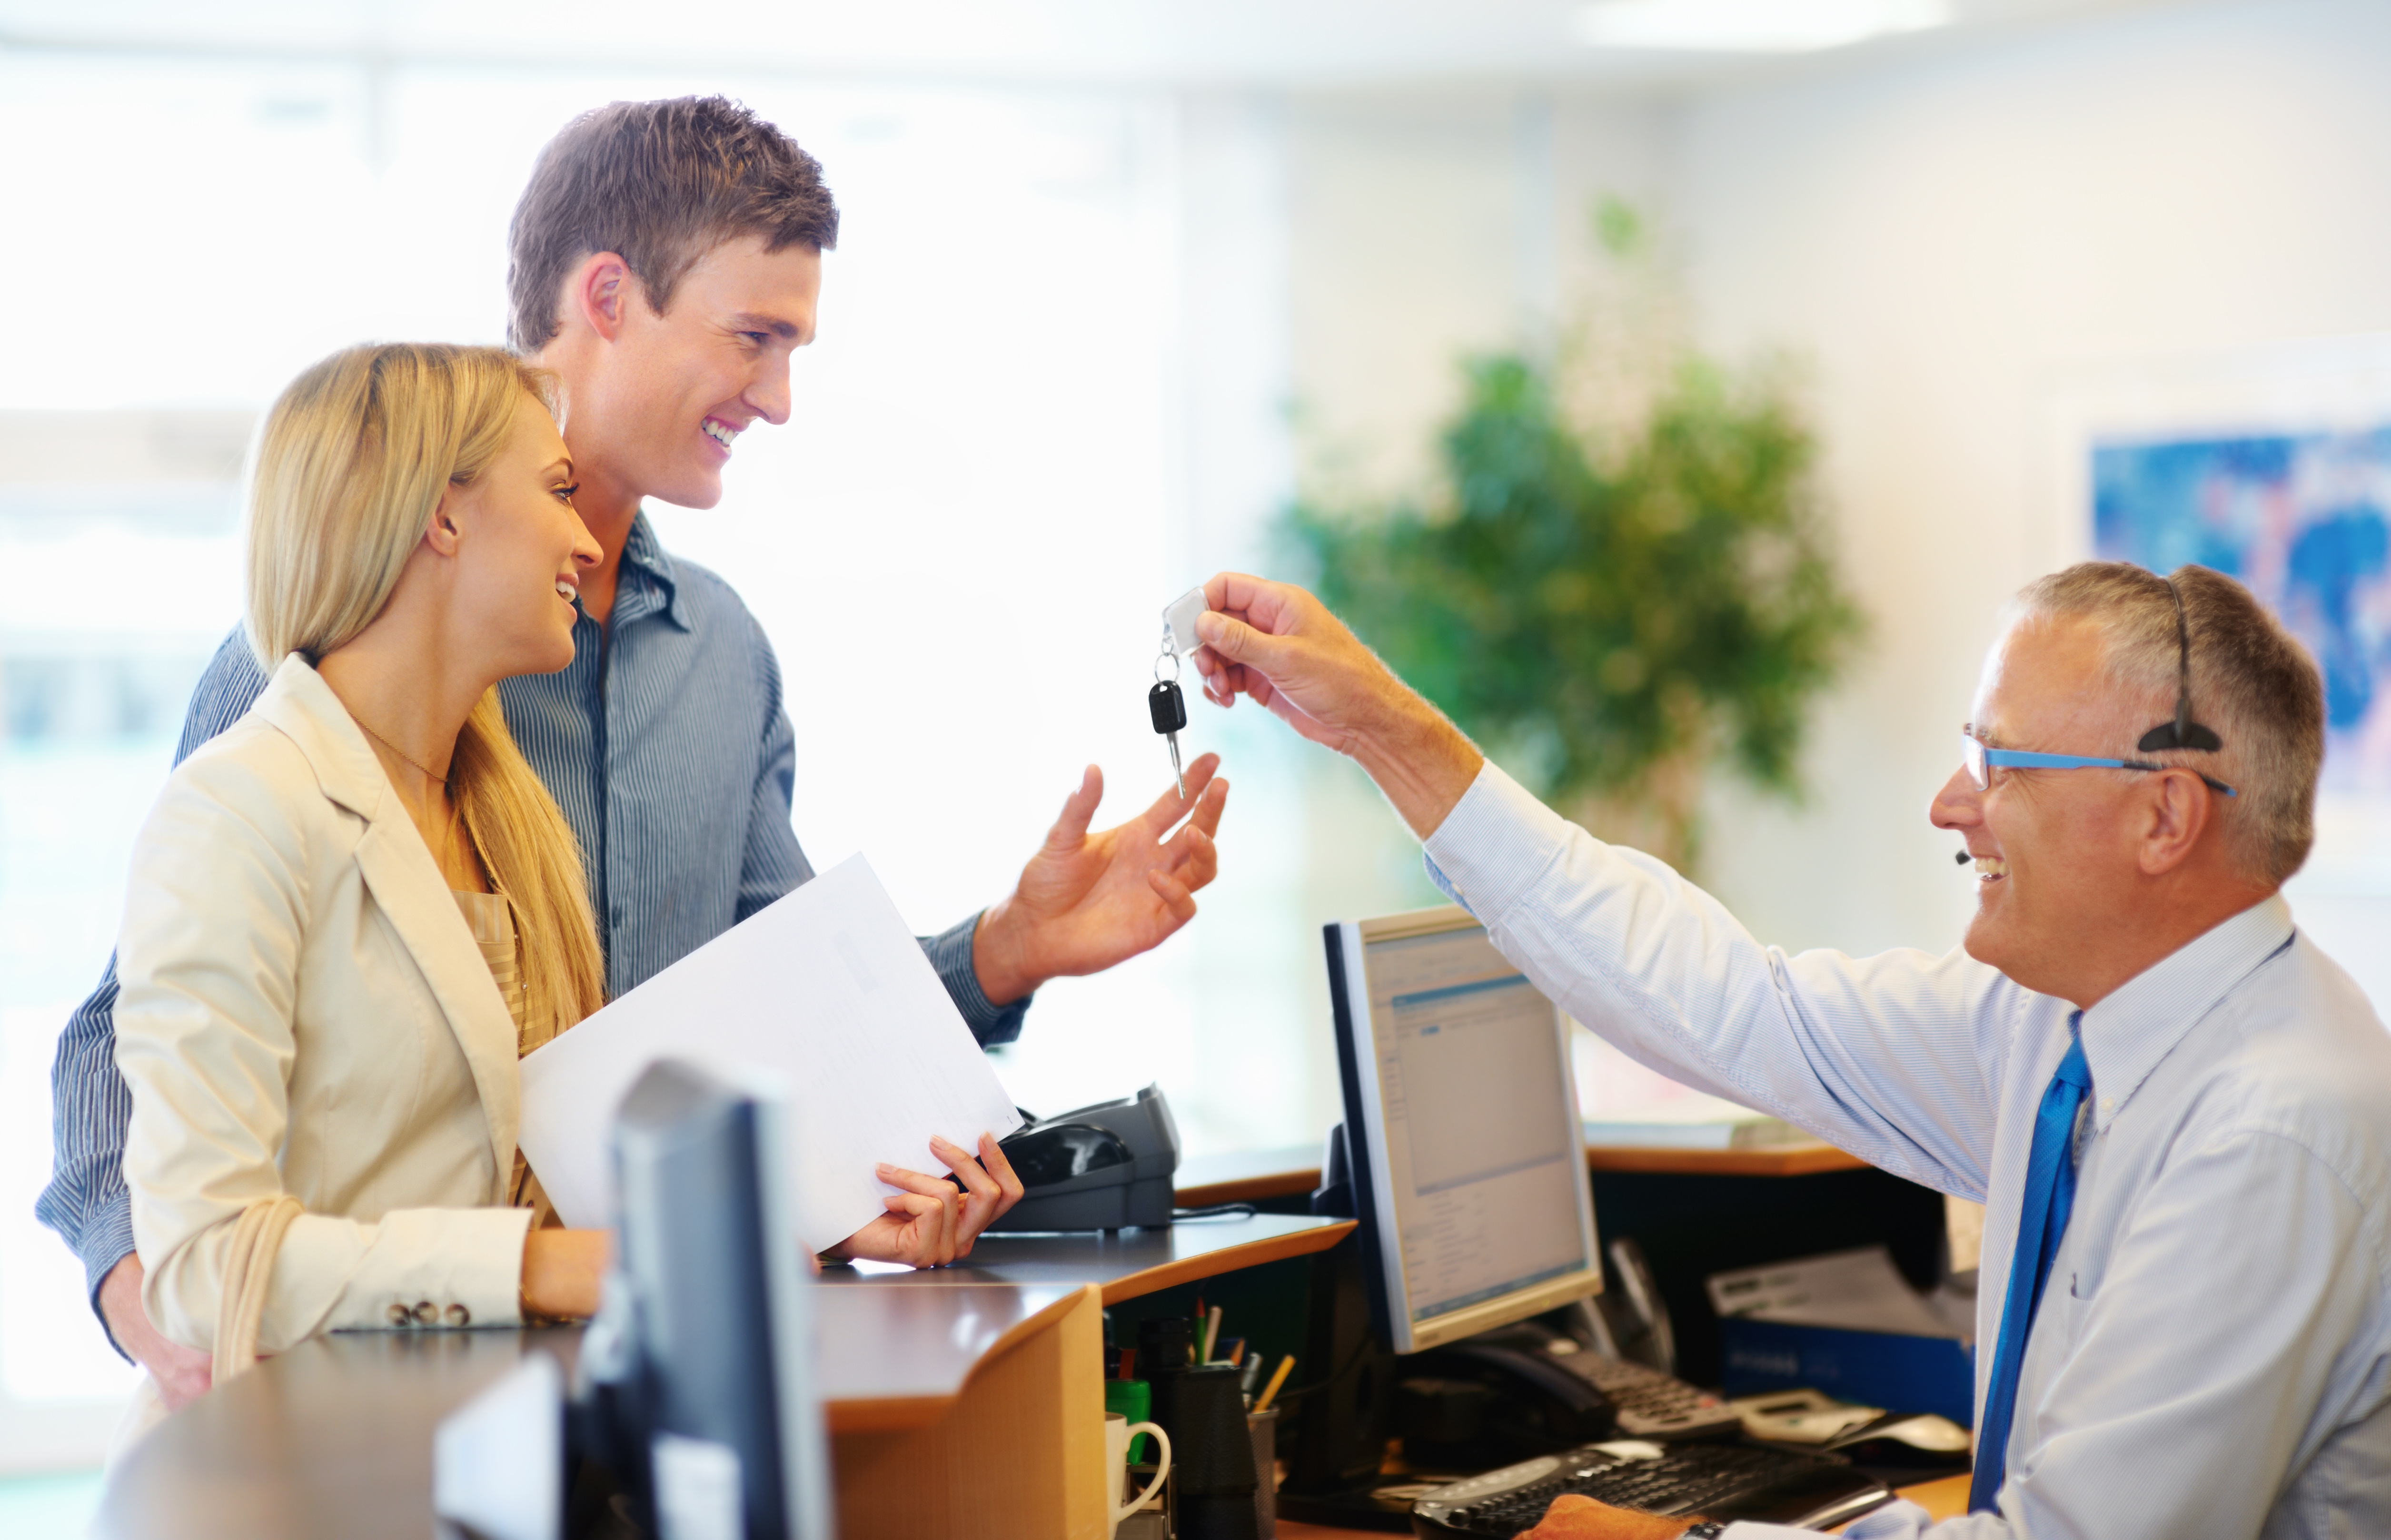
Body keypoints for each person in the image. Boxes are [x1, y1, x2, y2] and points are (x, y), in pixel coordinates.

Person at [42, 97, 1228, 1414]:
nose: (778, 401)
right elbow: (126, 1041)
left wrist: (1008, 948)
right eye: (754, 340)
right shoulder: (318, 670)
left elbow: (793, 1020)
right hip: (349, 1410)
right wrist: (160, 1300)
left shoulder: (722, 652)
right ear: (608, 295)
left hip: (616, 1393)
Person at [1188, 563, 2391, 1539]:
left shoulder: (2269, 1128)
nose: (1948, 804)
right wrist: (1386, 731)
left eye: (2000, 764)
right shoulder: (2064, 1026)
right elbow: (1735, 1008)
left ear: (2164, 816)